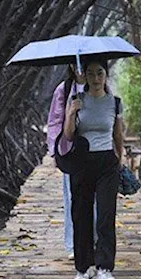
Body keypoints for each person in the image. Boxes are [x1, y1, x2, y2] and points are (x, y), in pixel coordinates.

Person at [62, 58, 126, 279]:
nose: (96, 78)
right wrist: (71, 113)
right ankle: (82, 268)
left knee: (106, 216)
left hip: (107, 162)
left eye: (100, 73)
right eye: (91, 74)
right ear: (84, 76)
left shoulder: (115, 103)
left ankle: (104, 269)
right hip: (82, 161)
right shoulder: (77, 100)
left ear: (106, 75)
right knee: (81, 214)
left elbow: (118, 135)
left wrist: (121, 158)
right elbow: (68, 135)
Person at [46, 64, 88, 258]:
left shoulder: (98, 85)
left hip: (94, 150)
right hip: (70, 150)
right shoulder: (63, 89)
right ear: (71, 65)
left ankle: (93, 241)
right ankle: (73, 244)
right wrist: (54, 150)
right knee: (72, 198)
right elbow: (54, 121)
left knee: (95, 200)